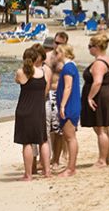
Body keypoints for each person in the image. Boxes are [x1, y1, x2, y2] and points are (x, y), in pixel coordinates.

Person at [80, 33, 109, 166]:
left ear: (96, 47)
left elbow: (97, 82)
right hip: (107, 94)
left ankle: (102, 160)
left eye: (90, 46)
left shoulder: (99, 63)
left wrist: (90, 97)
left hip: (101, 96)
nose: (89, 49)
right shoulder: (107, 59)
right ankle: (106, 158)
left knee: (100, 129)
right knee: (104, 129)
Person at [14, 47, 52, 181]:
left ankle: (28, 174)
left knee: (27, 143)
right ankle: (47, 172)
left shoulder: (21, 72)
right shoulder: (43, 72)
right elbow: (46, 90)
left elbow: (17, 80)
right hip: (39, 109)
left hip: (24, 110)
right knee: (43, 141)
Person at [55, 44, 81, 176]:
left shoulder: (68, 67)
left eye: (58, 52)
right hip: (72, 104)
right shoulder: (70, 66)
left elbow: (68, 87)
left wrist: (62, 105)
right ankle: (71, 167)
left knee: (70, 137)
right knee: (69, 137)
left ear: (63, 53)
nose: (56, 55)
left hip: (70, 105)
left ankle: (71, 168)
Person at [43, 36, 64, 168]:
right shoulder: (51, 58)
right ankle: (52, 159)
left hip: (54, 94)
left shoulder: (60, 58)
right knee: (52, 130)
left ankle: (53, 159)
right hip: (53, 94)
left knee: (55, 130)